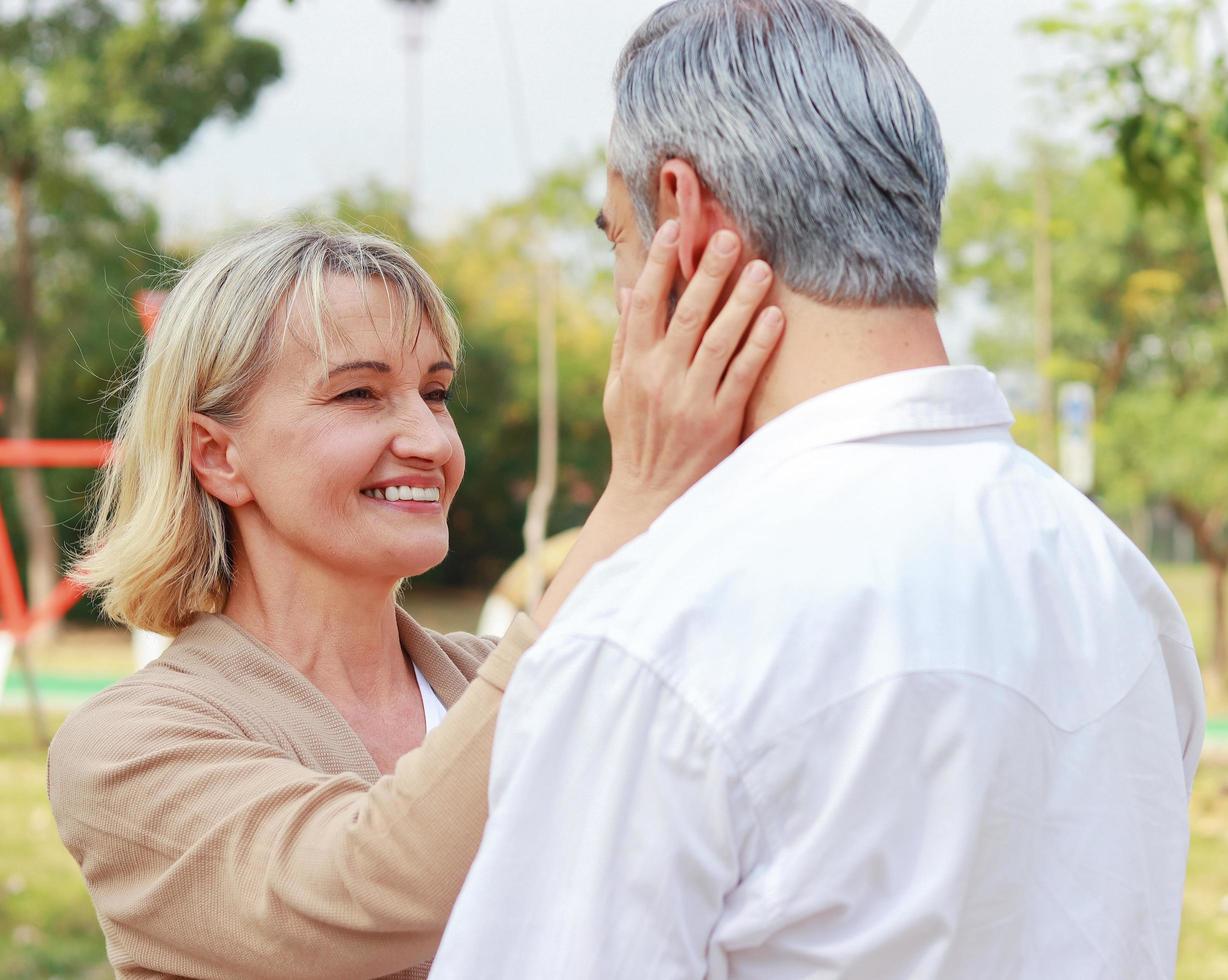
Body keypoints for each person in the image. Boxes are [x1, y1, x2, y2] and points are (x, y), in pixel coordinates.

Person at [430, 2, 1206, 977]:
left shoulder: (657, 628)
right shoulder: (1119, 585)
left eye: (619, 242)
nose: (622, 293)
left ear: (685, 212)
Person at [46, 220, 784, 980]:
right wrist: (638, 498)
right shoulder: (124, 747)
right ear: (218, 455)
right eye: (360, 393)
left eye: (434, 393)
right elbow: (369, 891)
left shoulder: (497, 674)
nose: (430, 441)